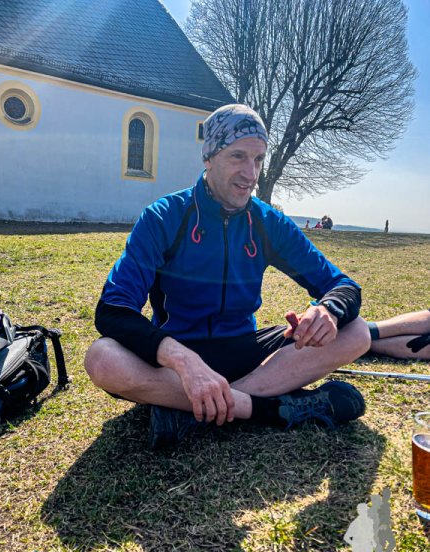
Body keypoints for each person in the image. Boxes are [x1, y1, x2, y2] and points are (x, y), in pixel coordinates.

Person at [84, 104, 370, 449]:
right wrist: (183, 360)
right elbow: (113, 310)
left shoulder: (267, 222)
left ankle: (195, 411)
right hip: (177, 358)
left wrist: (328, 310)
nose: (251, 173)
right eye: (238, 156)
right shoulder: (164, 217)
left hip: (243, 350)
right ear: (208, 157)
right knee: (102, 358)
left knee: (356, 332)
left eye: (259, 159)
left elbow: (343, 285)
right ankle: (268, 409)